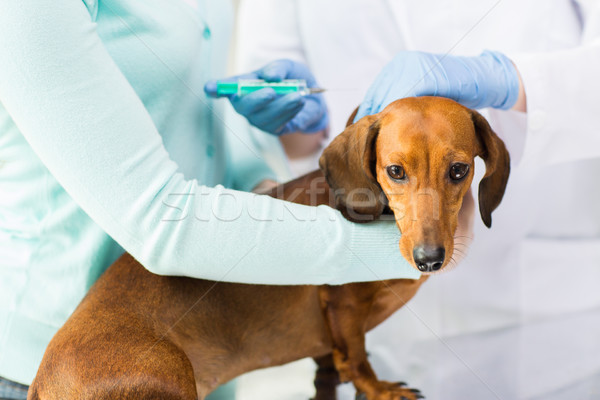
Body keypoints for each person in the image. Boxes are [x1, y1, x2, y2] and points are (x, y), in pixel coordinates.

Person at [0, 1, 473, 399]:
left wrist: (275, 146)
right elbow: (161, 223)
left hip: (204, 337)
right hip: (81, 364)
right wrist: (411, 248)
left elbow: (201, 137)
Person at [233, 0, 600, 398]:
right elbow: (269, 143)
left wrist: (511, 80)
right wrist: (300, 123)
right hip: (384, 324)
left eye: (458, 171)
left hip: (547, 322)